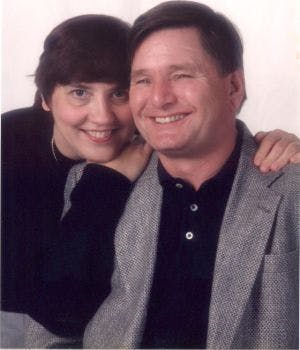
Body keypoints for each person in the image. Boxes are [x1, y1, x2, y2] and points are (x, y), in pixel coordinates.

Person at [26, 1, 299, 348]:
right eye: (142, 80)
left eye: (181, 75)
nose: (159, 98)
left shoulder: (290, 188)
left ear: (233, 88)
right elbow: (50, 334)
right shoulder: (96, 182)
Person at [1, 14, 152, 348]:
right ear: (44, 98)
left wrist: (280, 144)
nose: (102, 117)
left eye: (119, 94)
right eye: (80, 92)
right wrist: (107, 181)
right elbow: (47, 305)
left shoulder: (156, 145)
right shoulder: (8, 145)